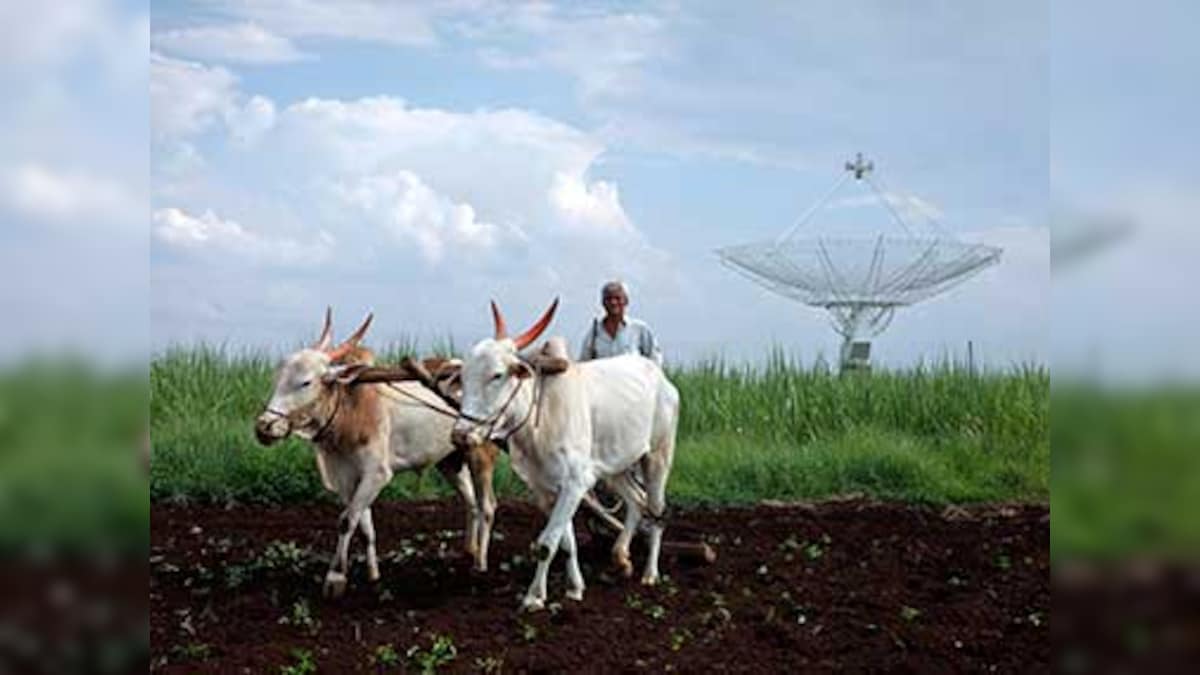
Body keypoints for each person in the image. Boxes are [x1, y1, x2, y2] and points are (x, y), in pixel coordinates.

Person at [578, 280, 663, 366]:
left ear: (626, 301)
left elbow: (655, 359)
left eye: (617, 298)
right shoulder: (594, 333)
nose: (613, 302)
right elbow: (584, 363)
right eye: (608, 299)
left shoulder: (640, 329)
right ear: (603, 303)